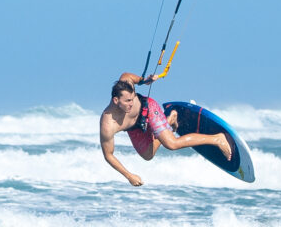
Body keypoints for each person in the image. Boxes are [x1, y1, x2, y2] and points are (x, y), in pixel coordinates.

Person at [99, 72, 231, 186]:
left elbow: (127, 75)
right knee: (147, 155)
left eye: (132, 99)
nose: (131, 103)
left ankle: (217, 139)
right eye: (127, 101)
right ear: (116, 100)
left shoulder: (125, 84)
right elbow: (108, 155)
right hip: (134, 127)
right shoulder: (108, 125)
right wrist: (129, 176)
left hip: (148, 109)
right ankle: (170, 119)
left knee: (171, 144)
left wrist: (144, 80)